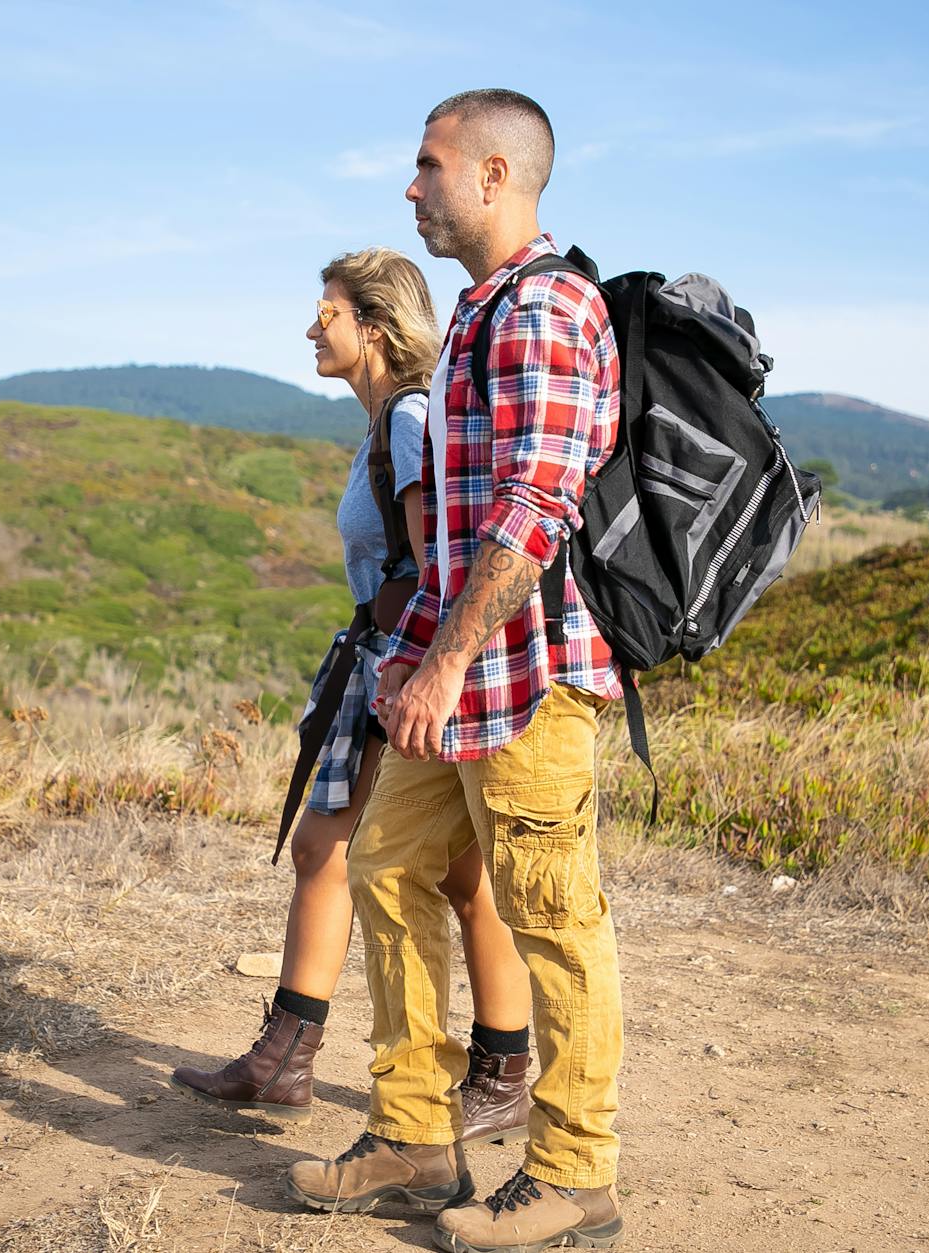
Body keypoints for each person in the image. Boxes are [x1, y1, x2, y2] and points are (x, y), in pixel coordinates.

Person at [283, 91, 627, 1253]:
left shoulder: (543, 307)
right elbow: (458, 524)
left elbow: (532, 512)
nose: (408, 185)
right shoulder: (483, 309)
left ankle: (576, 1172)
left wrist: (441, 664)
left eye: (425, 165)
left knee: (552, 917)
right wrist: (410, 667)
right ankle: (411, 1135)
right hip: (454, 668)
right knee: (383, 866)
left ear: (492, 175)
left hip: (526, 677)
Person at [171, 247, 534, 1150]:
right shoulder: (389, 423)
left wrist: (415, 671)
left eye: (326, 312)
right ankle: (474, 1061)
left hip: (402, 665)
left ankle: (455, 1063)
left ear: (372, 324)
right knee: (435, 868)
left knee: (367, 855)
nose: (311, 327)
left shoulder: (408, 422)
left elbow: (431, 564)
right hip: (383, 660)